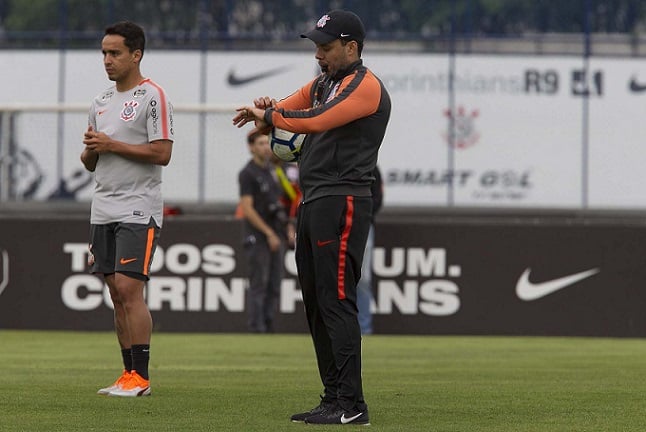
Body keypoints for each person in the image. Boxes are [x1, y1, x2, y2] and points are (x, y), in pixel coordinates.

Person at [233, 9, 391, 425]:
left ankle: (353, 405)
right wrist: (268, 107)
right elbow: (289, 107)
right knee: (318, 304)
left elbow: (315, 120)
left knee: (337, 300)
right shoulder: (325, 82)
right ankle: (332, 398)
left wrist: (269, 117)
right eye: (316, 47)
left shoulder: (365, 86)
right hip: (315, 200)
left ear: (351, 47)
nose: (318, 54)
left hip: (344, 200)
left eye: (326, 47)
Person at [81, 21, 174, 397]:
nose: (107, 60)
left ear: (136, 55)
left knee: (128, 288)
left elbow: (162, 153)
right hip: (102, 207)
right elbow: (90, 162)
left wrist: (111, 145)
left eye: (115, 52)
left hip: (138, 206)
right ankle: (127, 374)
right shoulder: (100, 102)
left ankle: (142, 377)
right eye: (104, 52)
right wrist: (92, 148)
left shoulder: (153, 96)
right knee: (115, 294)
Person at [238, 131, 288, 333]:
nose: (265, 147)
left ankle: (268, 327)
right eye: (260, 143)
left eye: (267, 143)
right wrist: (268, 233)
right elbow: (247, 208)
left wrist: (286, 227)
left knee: (275, 285)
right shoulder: (247, 173)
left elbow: (277, 204)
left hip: (276, 234)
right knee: (259, 284)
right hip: (258, 236)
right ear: (251, 147)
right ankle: (256, 329)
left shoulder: (273, 170)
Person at [356, 166, 383, 335]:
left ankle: (364, 328)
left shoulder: (371, 166)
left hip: (363, 225)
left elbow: (378, 199)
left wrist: (360, 214)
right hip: (335, 224)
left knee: (362, 279)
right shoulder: (335, 160)